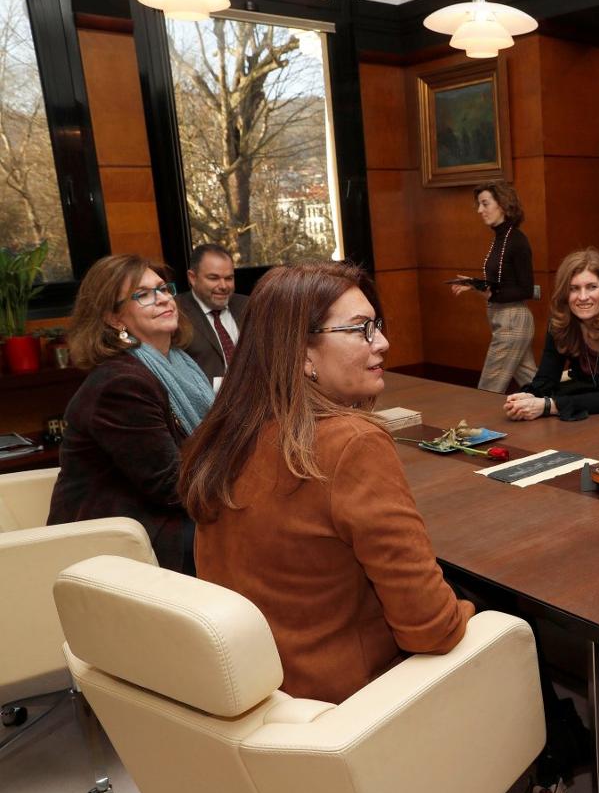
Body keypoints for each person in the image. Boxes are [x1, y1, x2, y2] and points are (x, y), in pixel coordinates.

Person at [178, 261, 473, 705]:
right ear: (301, 354)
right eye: (361, 329)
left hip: (266, 694)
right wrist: (472, 611)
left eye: (377, 325)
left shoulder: (226, 436)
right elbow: (433, 630)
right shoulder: (351, 444)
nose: (384, 342)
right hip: (355, 708)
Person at [48, 255, 213, 573]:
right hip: (117, 543)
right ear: (114, 319)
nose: (163, 298)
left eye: (163, 289)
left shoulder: (180, 364)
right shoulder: (121, 384)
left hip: (158, 518)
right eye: (143, 294)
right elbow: (171, 486)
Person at [503, 247, 599, 422]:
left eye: (592, 287)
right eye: (574, 289)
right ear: (565, 293)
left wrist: (548, 405)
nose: (583, 297)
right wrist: (527, 398)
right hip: (589, 400)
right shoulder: (560, 325)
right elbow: (546, 379)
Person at [451, 181, 538, 393]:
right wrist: (474, 284)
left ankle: (478, 426)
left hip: (512, 321)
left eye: (485, 204)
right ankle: (563, 410)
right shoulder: (501, 238)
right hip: (504, 319)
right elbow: (502, 282)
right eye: (479, 205)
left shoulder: (517, 240)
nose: (480, 210)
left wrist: (491, 291)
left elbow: (526, 289)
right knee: (533, 382)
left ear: (502, 204)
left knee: (488, 389)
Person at [176, 242, 247, 383]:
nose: (223, 286)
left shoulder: (250, 305)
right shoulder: (176, 312)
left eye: (229, 278)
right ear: (192, 278)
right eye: (213, 278)